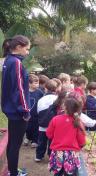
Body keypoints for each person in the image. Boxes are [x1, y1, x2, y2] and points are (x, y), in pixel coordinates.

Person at [1, 35, 31, 176]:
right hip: (18, 112)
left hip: (11, 109)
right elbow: (19, 89)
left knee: (12, 142)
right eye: (27, 49)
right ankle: (13, 173)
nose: (28, 52)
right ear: (18, 47)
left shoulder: (9, 60)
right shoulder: (16, 63)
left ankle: (11, 171)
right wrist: (25, 110)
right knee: (15, 144)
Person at [46, 96, 86, 176]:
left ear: (64, 107)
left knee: (57, 173)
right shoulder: (77, 121)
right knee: (71, 173)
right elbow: (81, 140)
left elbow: (49, 134)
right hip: (72, 153)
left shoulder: (56, 119)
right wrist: (80, 146)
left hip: (58, 151)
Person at [35, 79, 58, 162]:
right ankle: (51, 156)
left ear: (46, 88)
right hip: (54, 125)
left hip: (42, 125)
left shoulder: (41, 100)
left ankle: (39, 156)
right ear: (56, 89)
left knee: (41, 141)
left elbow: (37, 111)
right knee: (52, 142)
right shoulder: (57, 99)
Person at [24, 74, 44, 147]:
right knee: (27, 127)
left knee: (36, 128)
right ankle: (28, 137)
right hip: (27, 114)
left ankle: (35, 141)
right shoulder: (25, 92)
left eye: (38, 82)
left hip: (36, 114)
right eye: (35, 83)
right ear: (29, 84)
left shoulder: (40, 92)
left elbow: (43, 100)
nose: (37, 84)